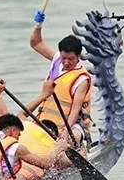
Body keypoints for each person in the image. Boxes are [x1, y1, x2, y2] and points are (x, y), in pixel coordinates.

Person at [29, 12, 93, 142]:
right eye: (64, 58)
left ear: (79, 56)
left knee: (71, 137)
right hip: (45, 120)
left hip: (73, 124)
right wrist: (38, 25)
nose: (66, 62)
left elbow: (75, 109)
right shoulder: (57, 59)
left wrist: (66, 129)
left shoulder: (81, 79)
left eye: (71, 59)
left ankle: (76, 152)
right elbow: (35, 43)